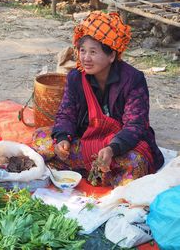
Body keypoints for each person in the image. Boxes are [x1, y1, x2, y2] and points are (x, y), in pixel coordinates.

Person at [50, 11, 164, 186]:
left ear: (111, 56)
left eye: (93, 52)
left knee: (136, 162)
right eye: (82, 51)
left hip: (117, 147)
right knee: (42, 140)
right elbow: (66, 114)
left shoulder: (133, 80)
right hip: (87, 141)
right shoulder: (75, 78)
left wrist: (112, 148)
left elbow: (136, 125)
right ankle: (99, 173)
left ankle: (84, 169)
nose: (86, 58)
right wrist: (62, 138)